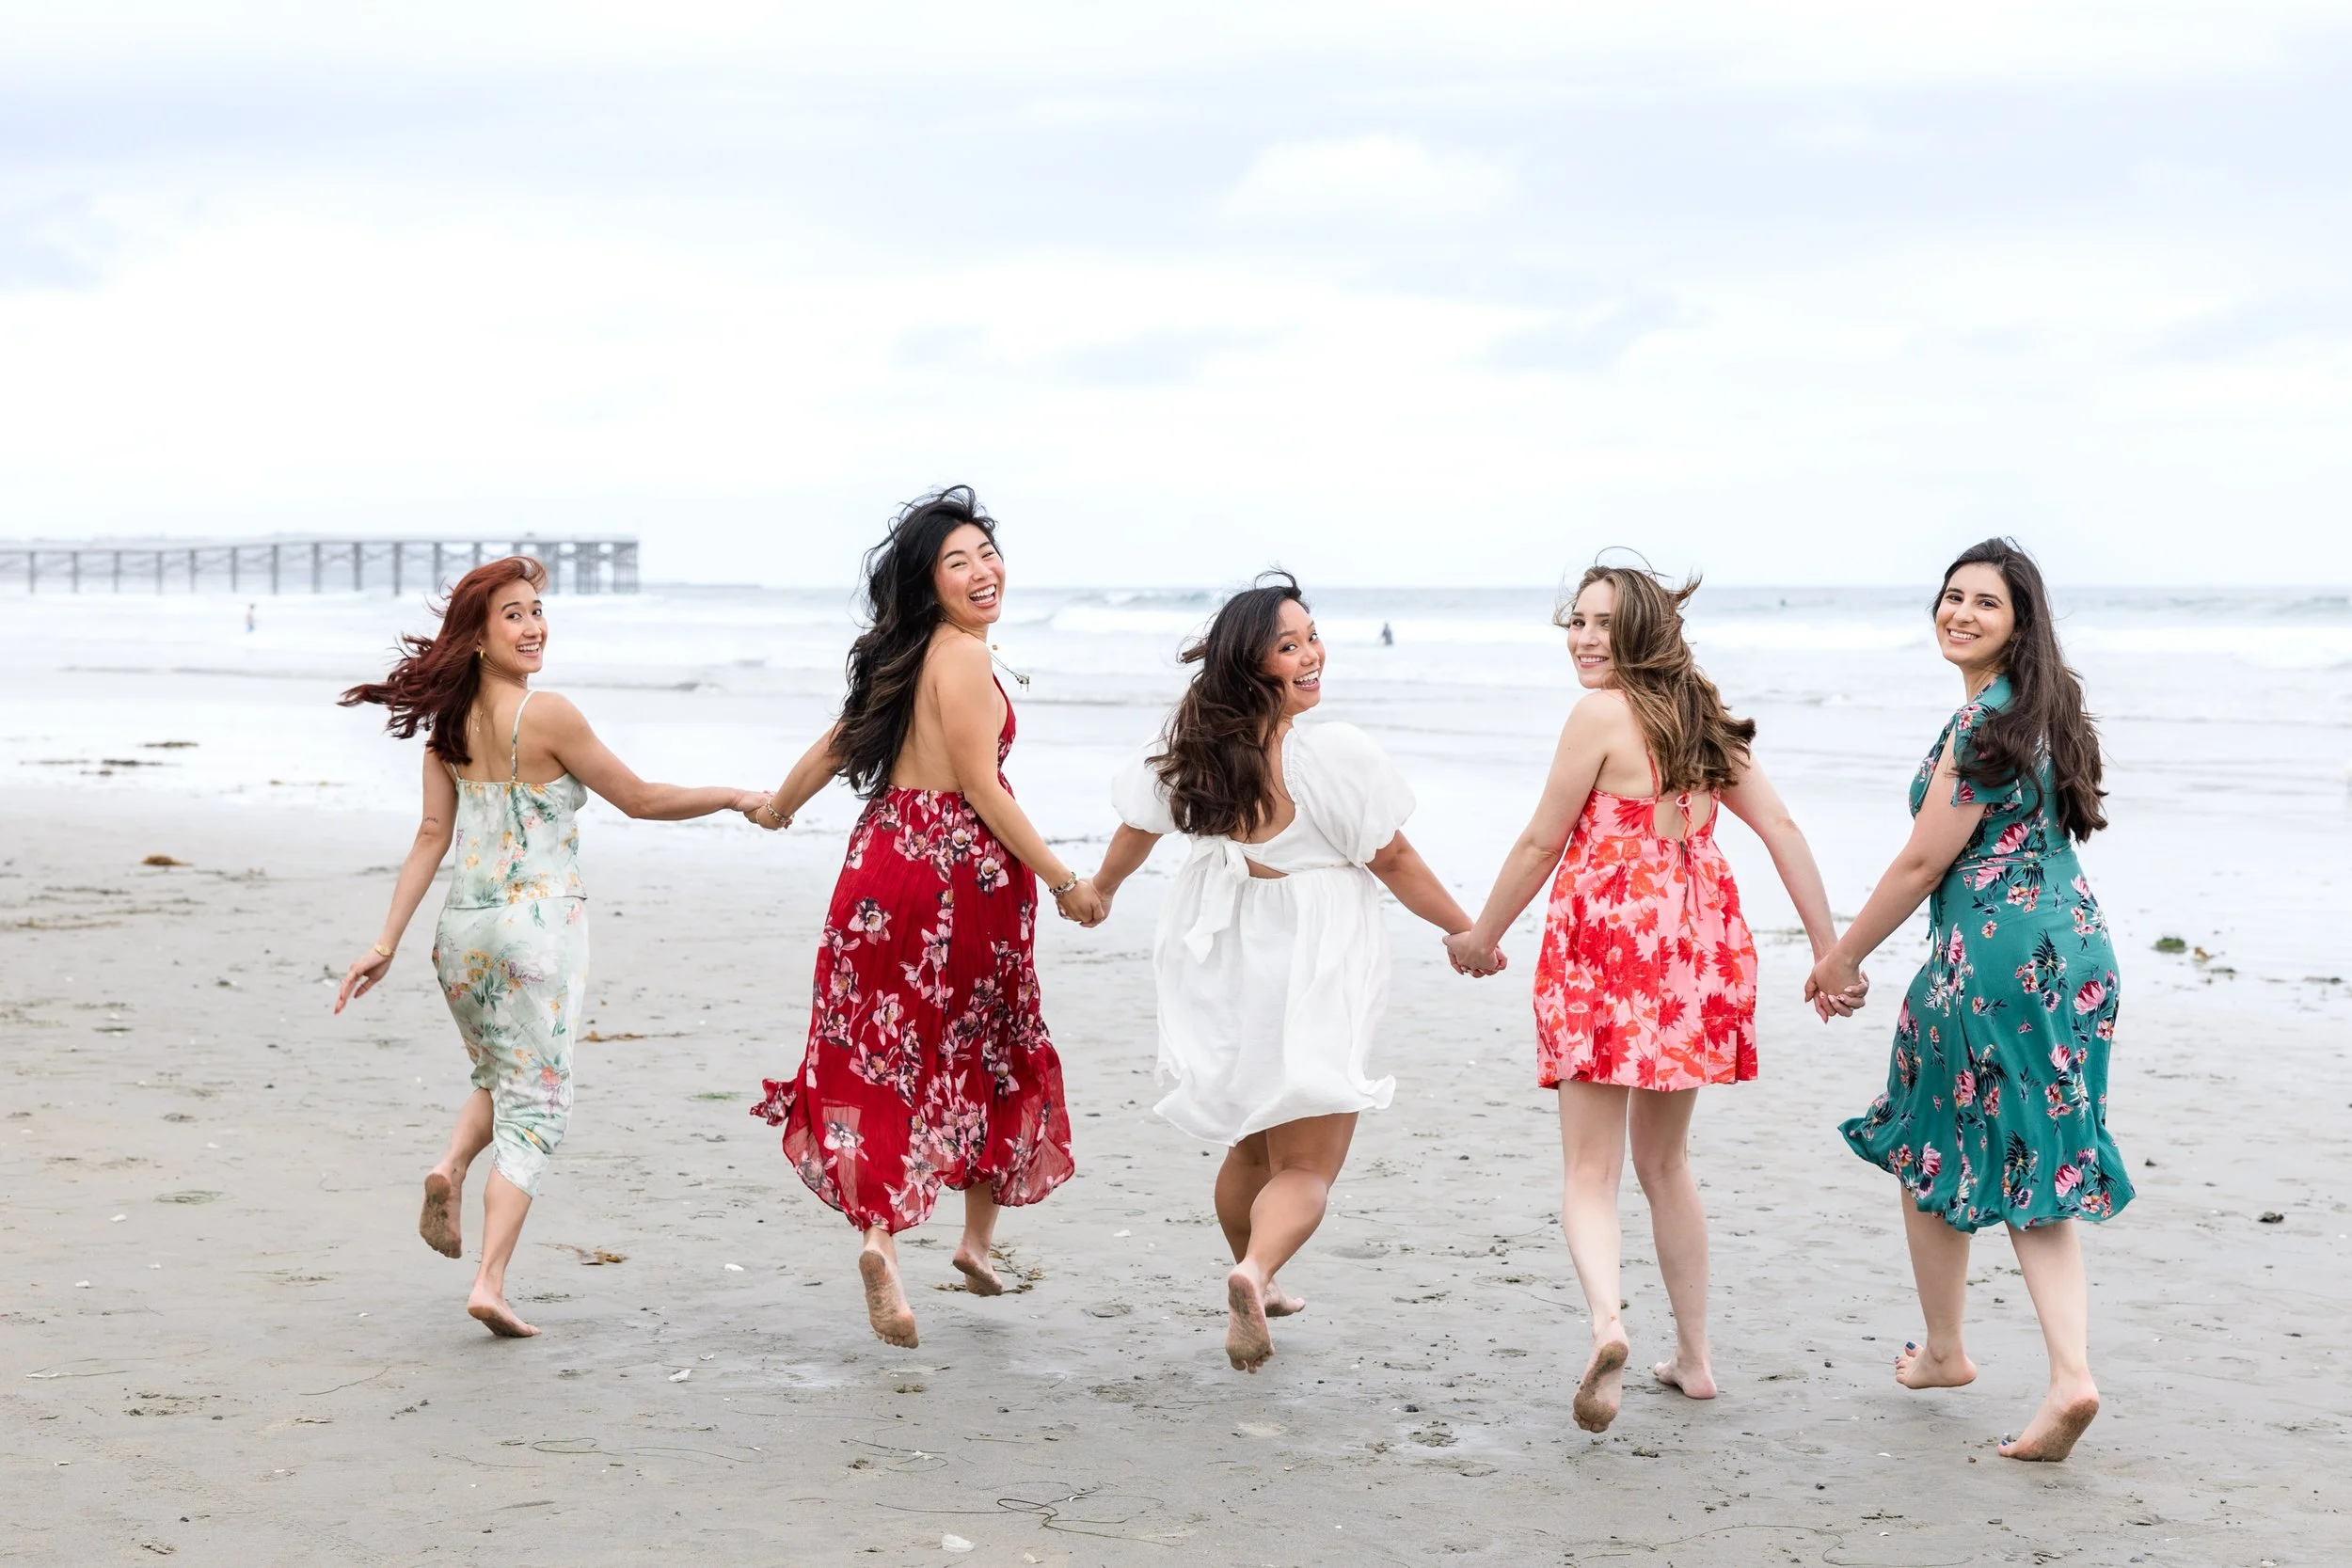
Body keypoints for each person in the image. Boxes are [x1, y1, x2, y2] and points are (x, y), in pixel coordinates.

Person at [1445, 561, 1856, 1433]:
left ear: (1642, 631)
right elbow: (1780, 828)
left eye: (1603, 622)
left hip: (1607, 953)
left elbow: (1536, 843)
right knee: (1666, 1162)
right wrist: (1830, 951)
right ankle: (1696, 1359)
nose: (1585, 637)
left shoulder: (1599, 714)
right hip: (1695, 956)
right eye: (1576, 621)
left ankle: (1608, 1324)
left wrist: (1482, 936)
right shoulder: (1702, 717)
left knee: (1590, 1170)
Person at [333, 556, 762, 1338]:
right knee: (540, 1104)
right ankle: (490, 1279)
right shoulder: (548, 714)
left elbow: (434, 834)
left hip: (461, 931)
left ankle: (452, 1165)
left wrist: (385, 940)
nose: (534, 627)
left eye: (537, 610)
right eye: (513, 615)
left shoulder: (448, 729)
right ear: (476, 637)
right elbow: (639, 799)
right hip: (537, 932)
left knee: (501, 1070)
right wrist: (733, 795)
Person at [1085, 574, 1487, 1371]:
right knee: (1307, 1163)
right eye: (1289, 644)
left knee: (1250, 1149)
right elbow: (1394, 858)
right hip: (1311, 956)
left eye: (1311, 636)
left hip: (1232, 955)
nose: (1312, 654)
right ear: (1252, 664)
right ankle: (1256, 1268)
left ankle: (1254, 1281)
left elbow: (1138, 825)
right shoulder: (1323, 753)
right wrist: (1465, 929)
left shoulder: (1198, 747)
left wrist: (1101, 888)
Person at [746, 486, 1090, 1349]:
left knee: (884, 1051)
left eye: (986, 553)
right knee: (986, 1043)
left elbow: (836, 745)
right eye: (958, 561)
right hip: (962, 876)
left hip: (880, 865)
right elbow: (979, 787)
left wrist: (776, 807)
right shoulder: (965, 660)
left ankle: (894, 1240)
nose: (982, 572)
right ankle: (970, 1239)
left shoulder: (903, 656)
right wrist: (1063, 877)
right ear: (927, 581)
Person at [1808, 538, 2129, 1463]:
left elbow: (1923, 859)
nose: (1959, 612)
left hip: (1991, 960)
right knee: (2027, 1151)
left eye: (1984, 602)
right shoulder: (2044, 717)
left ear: (2018, 622)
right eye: (1950, 596)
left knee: (1945, 1140)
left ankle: (2016, 1362)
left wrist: (1841, 955)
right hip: (2078, 951)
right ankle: (1991, 1354)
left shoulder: (1984, 727)